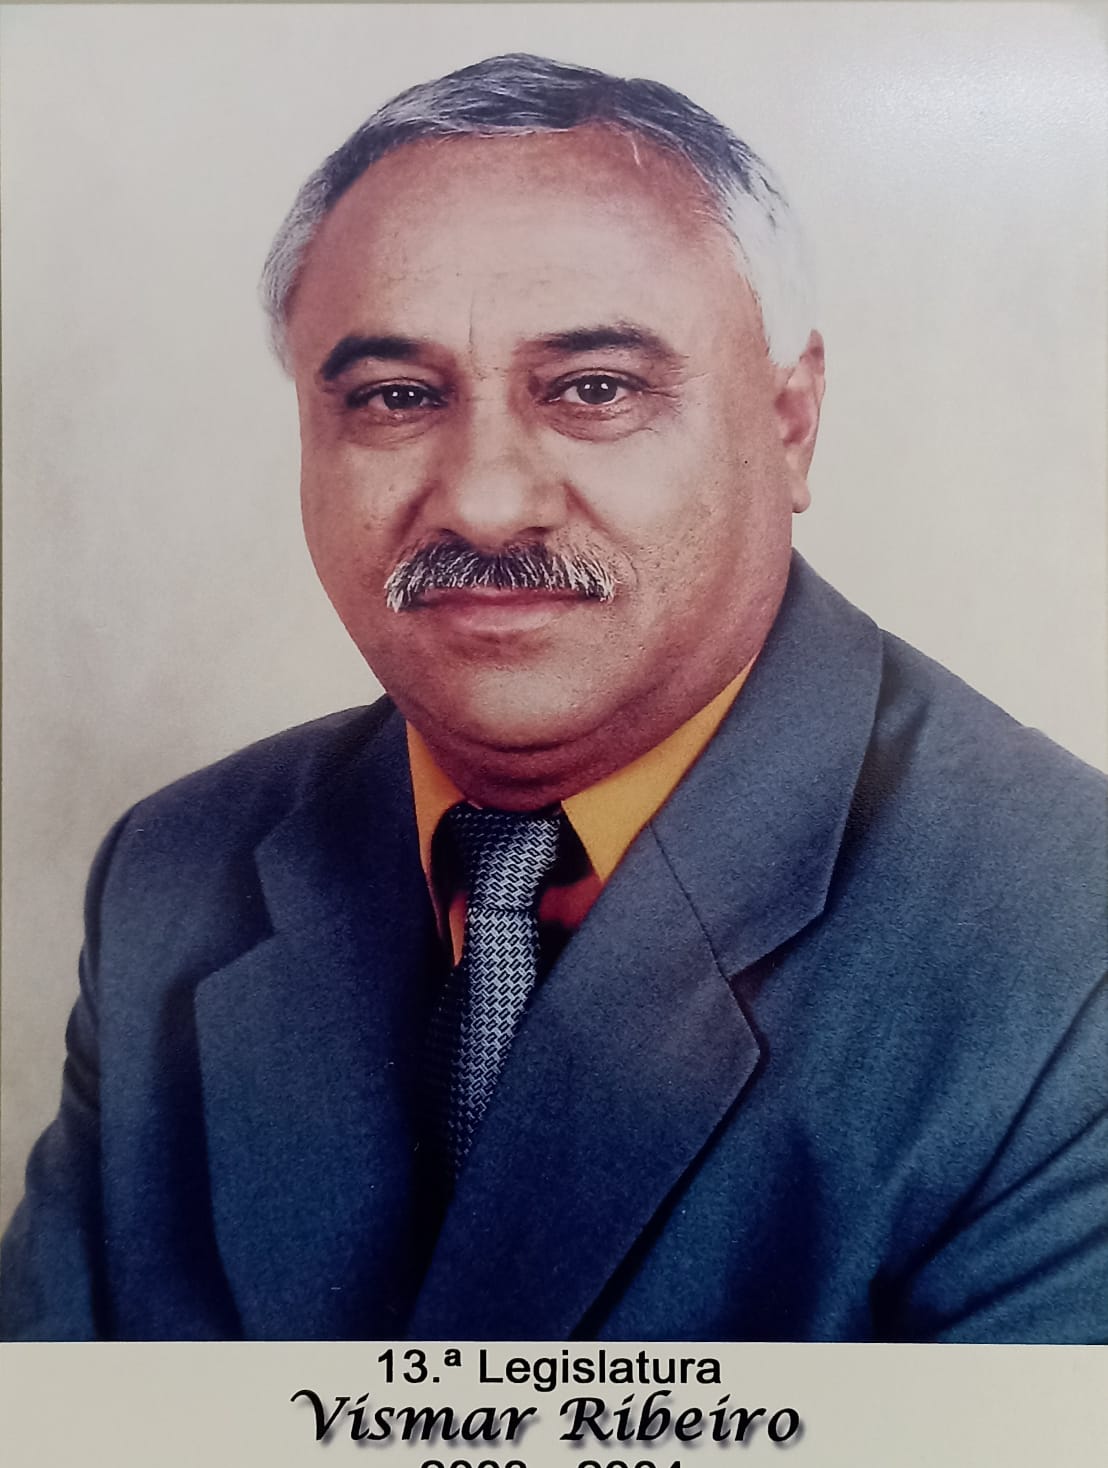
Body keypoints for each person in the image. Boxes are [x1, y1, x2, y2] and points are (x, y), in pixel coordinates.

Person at [1, 53, 1104, 1343]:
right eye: (396, 398)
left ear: (792, 422)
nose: (483, 501)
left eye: (594, 390)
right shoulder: (174, 874)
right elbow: (55, 1446)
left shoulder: (1068, 946)